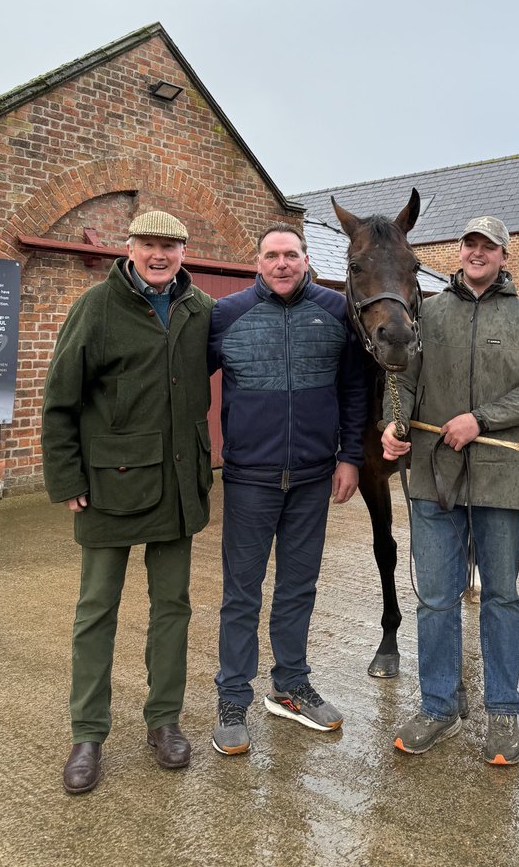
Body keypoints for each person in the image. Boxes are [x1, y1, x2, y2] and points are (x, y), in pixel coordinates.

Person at [42, 211, 214, 795]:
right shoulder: (96, 306)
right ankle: (87, 733)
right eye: (149, 244)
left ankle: (163, 721)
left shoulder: (199, 311)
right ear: (130, 248)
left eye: (170, 244)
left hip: (178, 484)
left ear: (183, 250)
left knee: (174, 608)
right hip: (109, 485)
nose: (159, 254)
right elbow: (60, 401)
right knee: (97, 611)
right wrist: (66, 479)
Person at [382, 216, 519, 766]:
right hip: (434, 477)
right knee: (435, 596)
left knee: (500, 596)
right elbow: (403, 378)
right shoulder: (426, 313)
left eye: (488, 246)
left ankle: (502, 711)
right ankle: (438, 706)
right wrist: (395, 424)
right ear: (458, 252)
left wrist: (480, 420)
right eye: (469, 244)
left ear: (504, 255)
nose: (477, 253)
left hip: (502, 479)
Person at [208, 222, 367, 755]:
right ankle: (233, 697)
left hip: (314, 476)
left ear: (306, 260)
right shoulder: (226, 316)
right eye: (272, 255)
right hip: (250, 479)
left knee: (299, 587)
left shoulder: (336, 312)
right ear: (257, 262)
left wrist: (350, 457)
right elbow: (180, 386)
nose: (282, 263)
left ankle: (290, 684)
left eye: (291, 255)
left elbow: (353, 388)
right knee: (241, 593)